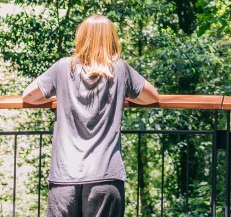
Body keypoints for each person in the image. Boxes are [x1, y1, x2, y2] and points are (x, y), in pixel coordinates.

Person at [22, 14, 161, 217]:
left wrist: (62, 94)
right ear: (112, 39)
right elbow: (152, 96)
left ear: (82, 38)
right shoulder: (120, 70)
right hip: (105, 176)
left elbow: (29, 96)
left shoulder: (62, 67)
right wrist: (123, 94)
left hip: (65, 178)